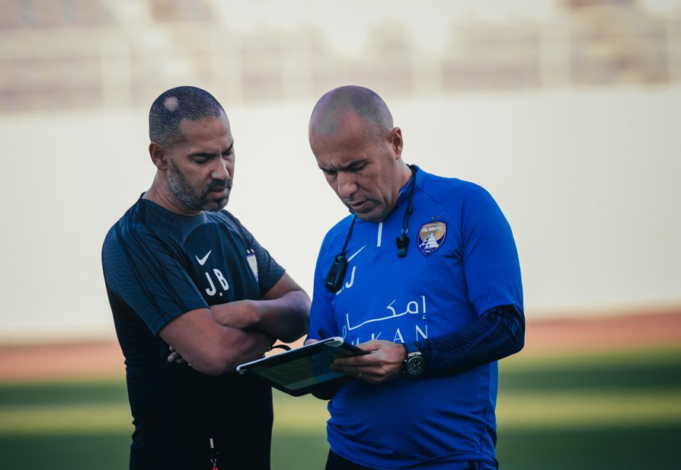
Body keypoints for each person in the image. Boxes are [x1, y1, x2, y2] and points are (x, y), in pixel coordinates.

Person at [305, 85, 525, 470]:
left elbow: (506, 327)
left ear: (395, 142)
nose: (345, 188)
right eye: (330, 172)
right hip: (347, 457)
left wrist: (410, 358)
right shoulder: (333, 242)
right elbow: (324, 373)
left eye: (357, 167)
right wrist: (309, 363)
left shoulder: (465, 205)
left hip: (449, 458)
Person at [101, 86, 310, 470]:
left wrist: (241, 313)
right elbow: (214, 355)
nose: (222, 170)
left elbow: (300, 310)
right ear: (159, 157)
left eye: (227, 151)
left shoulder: (225, 224)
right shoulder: (136, 240)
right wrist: (269, 329)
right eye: (202, 158)